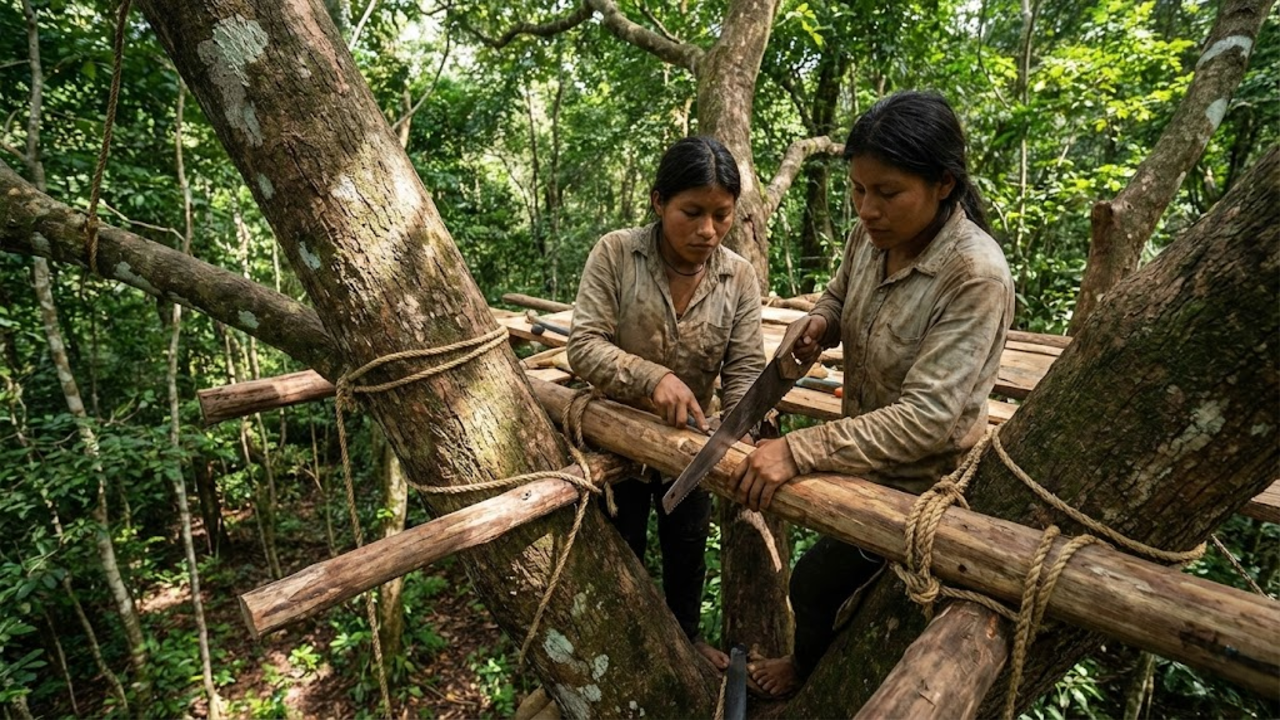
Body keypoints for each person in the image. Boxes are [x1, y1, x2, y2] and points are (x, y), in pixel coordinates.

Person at [729, 91, 1015, 697]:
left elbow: (928, 419)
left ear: (943, 185)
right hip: (863, 458)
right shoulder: (871, 237)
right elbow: (837, 294)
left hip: (923, 483)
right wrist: (820, 323)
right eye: (858, 191)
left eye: (886, 193)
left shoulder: (975, 275)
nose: (867, 209)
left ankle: (808, 674)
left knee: (813, 583)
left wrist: (799, 451)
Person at [567, 136, 767, 670]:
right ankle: (625, 651)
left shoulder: (738, 277)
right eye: (692, 212)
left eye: (722, 215)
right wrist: (651, 378)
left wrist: (743, 425)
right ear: (659, 202)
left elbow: (746, 371)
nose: (708, 230)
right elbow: (583, 346)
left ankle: (684, 643)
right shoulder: (616, 253)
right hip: (616, 439)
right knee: (620, 548)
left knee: (688, 547)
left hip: (692, 445)